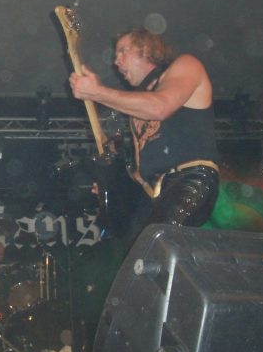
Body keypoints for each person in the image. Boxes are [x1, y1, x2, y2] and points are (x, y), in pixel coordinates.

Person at [69, 26, 219, 243]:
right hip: (154, 193)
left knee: (156, 248)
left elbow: (161, 107)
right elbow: (140, 174)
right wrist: (113, 186)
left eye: (123, 51)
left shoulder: (186, 65)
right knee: (135, 254)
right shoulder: (137, 105)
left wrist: (98, 93)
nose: (116, 61)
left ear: (148, 49)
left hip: (188, 179)